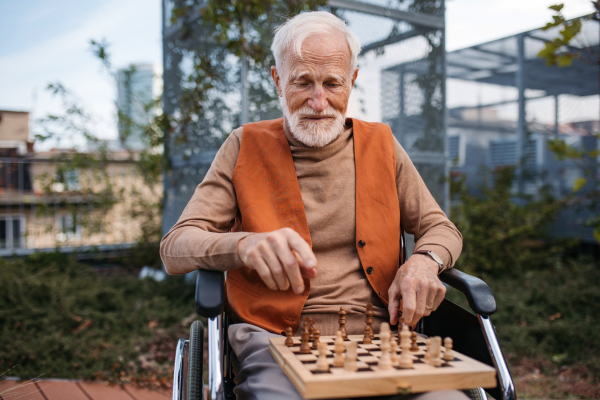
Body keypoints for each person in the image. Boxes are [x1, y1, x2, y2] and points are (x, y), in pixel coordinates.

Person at [160, 11, 466, 400]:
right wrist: (243, 245)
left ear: (352, 81)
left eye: (332, 83)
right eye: (303, 82)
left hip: (380, 338)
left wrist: (426, 261)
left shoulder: (382, 145)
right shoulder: (244, 145)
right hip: (274, 341)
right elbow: (175, 248)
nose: (319, 102)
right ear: (277, 80)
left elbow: (441, 229)